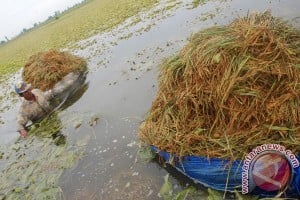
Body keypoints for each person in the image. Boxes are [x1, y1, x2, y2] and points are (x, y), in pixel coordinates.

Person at [15, 71, 86, 138]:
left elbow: (45, 96)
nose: (29, 92)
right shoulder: (24, 109)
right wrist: (22, 130)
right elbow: (19, 123)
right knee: (53, 135)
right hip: (44, 125)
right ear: (21, 95)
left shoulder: (36, 91)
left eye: (28, 89)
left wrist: (53, 92)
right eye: (26, 92)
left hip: (54, 115)